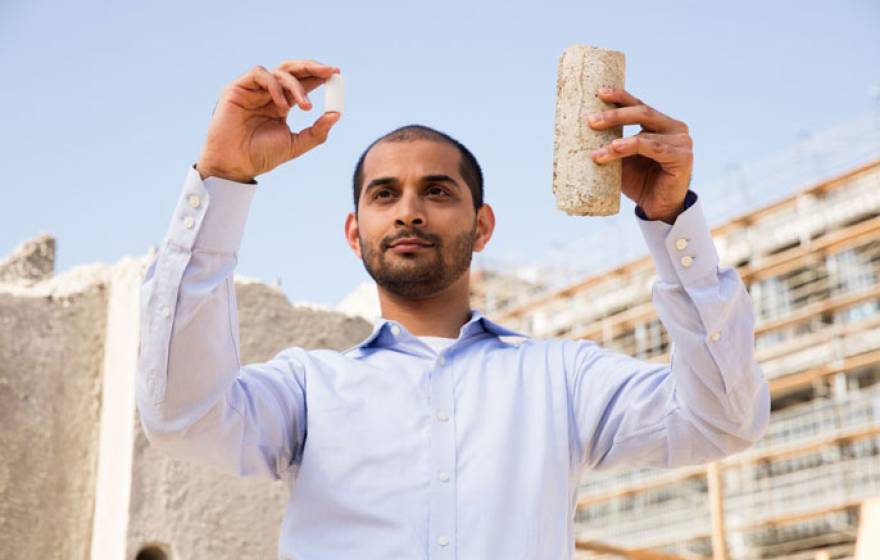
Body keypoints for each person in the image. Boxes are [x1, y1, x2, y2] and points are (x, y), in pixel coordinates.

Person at [136, 58, 770, 559]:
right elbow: (182, 416)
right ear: (356, 233)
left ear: (482, 225)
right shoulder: (306, 388)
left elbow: (723, 422)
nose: (410, 210)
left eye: (437, 191)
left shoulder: (563, 380)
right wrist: (220, 175)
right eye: (386, 194)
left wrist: (669, 220)